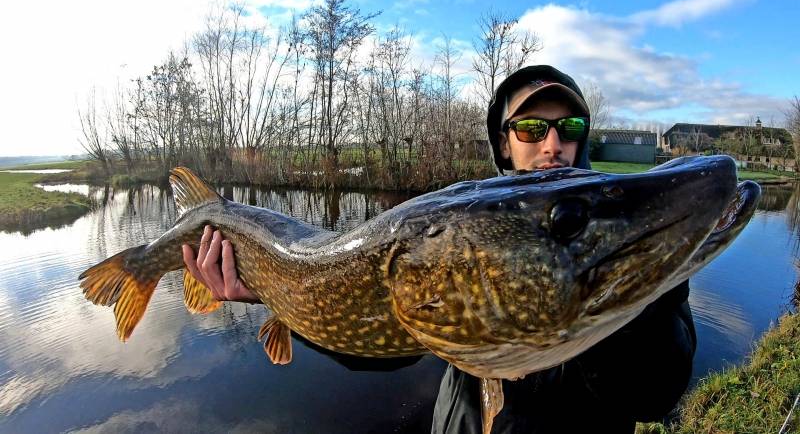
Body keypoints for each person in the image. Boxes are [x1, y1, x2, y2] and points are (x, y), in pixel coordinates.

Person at [182, 65, 696, 434]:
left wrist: (615, 281)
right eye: (532, 128)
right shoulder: (457, 224)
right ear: (504, 142)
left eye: (571, 129)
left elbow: (656, 393)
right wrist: (278, 299)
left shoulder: (632, 243)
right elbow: (383, 345)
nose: (552, 143)